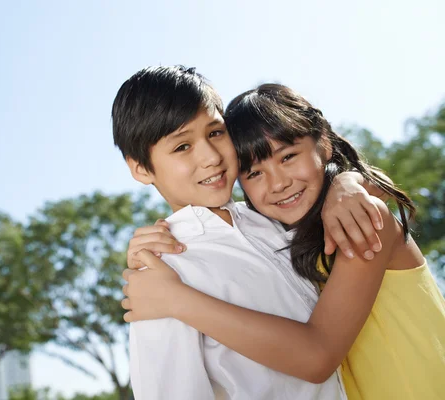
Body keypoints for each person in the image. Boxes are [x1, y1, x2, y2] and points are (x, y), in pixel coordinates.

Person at [121, 83, 445, 400]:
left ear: (324, 144)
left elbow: (318, 354)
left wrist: (348, 182)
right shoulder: (269, 232)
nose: (278, 184)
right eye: (254, 173)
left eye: (288, 157)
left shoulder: (352, 218)